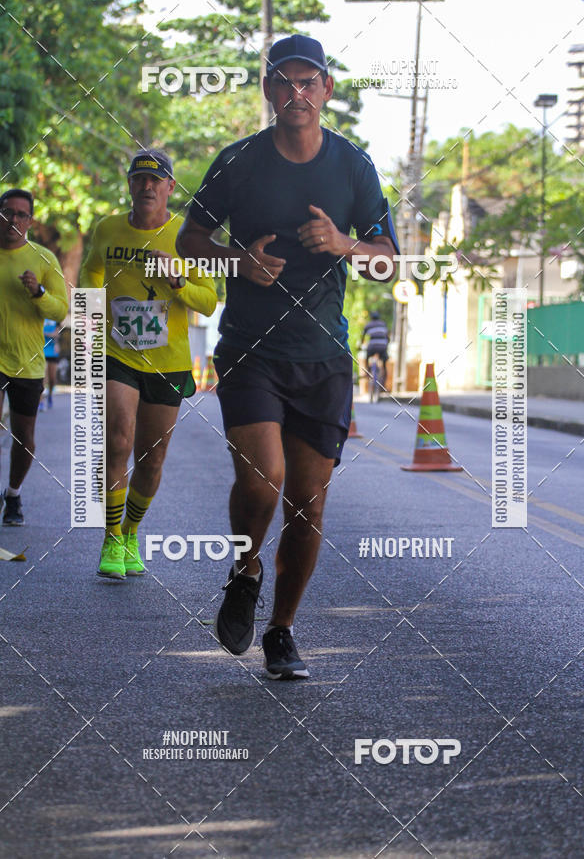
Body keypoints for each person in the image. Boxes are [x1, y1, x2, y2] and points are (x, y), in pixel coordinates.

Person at [176, 34, 399, 679]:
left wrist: (344, 244)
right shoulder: (238, 161)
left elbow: (388, 260)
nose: (297, 92)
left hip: (323, 357)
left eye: (308, 81)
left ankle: (281, 630)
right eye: (284, 81)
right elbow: (190, 240)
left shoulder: (353, 167)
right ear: (269, 89)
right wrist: (236, 261)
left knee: (308, 504)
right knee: (261, 479)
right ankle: (245, 571)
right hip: (251, 349)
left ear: (326, 89)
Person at [79, 150, 217, 580]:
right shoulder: (107, 229)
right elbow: (91, 272)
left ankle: (131, 532)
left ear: (170, 187)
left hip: (168, 362)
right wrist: (94, 313)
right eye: (139, 179)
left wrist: (177, 280)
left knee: (151, 459)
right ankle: (110, 538)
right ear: (129, 185)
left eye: (156, 180)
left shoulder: (187, 237)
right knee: (118, 439)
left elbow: (209, 301)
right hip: (117, 354)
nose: (147, 187)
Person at [0, 188, 69, 525]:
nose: (13, 219)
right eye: (7, 212)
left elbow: (61, 309)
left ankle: (13, 494)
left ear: (30, 220)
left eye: (21, 214)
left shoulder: (43, 259)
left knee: (24, 437)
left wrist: (38, 292)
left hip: (27, 361)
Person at [361, 311, 390, 386]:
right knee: (384, 364)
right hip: (383, 346)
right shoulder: (383, 324)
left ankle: (367, 371)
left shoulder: (368, 325)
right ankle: (384, 383)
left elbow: (362, 337)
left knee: (367, 357)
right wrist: (386, 345)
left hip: (372, 346)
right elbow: (387, 337)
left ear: (371, 318)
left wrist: (360, 345)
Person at [39, 319, 61, 410]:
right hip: (42, 350)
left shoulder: (56, 318)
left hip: (52, 351)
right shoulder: (41, 316)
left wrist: (44, 334)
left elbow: (57, 334)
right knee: (43, 378)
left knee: (52, 379)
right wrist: (50, 334)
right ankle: (41, 401)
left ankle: (50, 395)